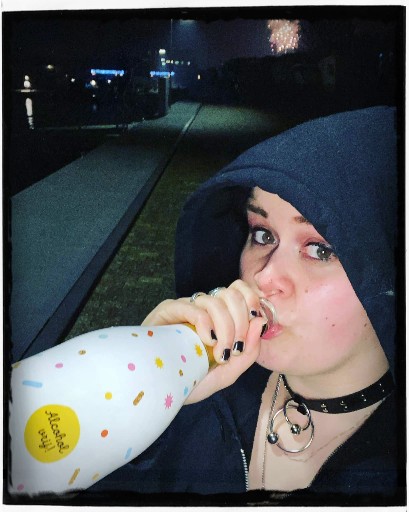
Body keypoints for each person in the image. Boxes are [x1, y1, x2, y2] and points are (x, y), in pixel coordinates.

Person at [83, 106, 403, 505]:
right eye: (263, 234)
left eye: (320, 249)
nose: (264, 277)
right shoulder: (200, 390)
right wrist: (132, 395)